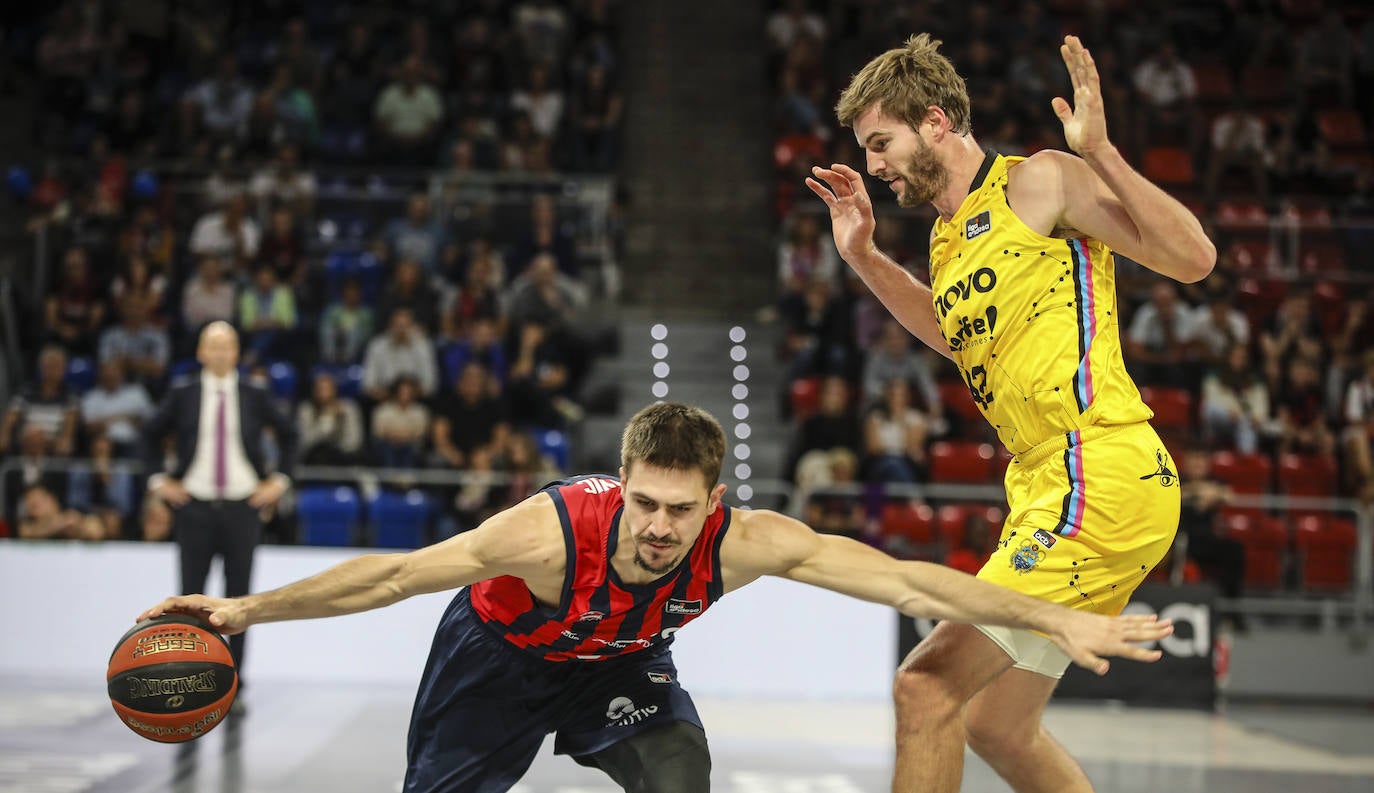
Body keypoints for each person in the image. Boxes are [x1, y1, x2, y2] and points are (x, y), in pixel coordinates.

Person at [139, 402, 1171, 792]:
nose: (659, 528)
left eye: (680, 509)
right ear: (621, 480)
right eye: (644, 504)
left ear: (713, 500)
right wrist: (239, 612)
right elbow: (395, 574)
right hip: (495, 664)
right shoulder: (543, 534)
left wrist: (1054, 615)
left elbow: (907, 580)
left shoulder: (746, 543)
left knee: (682, 769)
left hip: (618, 666)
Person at [807, 34, 1214, 793]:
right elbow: (953, 336)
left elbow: (1193, 258)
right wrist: (863, 255)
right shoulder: (945, 239)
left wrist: (1103, 155)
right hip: (1044, 480)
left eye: (881, 142)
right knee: (996, 724)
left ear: (935, 121)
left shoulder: (1042, 181)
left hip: (1098, 468)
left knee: (925, 687)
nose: (874, 165)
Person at [141, 322, 297, 686]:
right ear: (200, 352)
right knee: (189, 596)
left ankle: (233, 681)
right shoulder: (184, 393)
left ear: (237, 353)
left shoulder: (255, 393)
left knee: (240, 600)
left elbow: (291, 435)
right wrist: (158, 481)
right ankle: (189, 676)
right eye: (213, 345)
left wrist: (279, 482)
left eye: (227, 346)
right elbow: (148, 435)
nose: (220, 352)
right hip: (194, 506)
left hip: (243, 507)